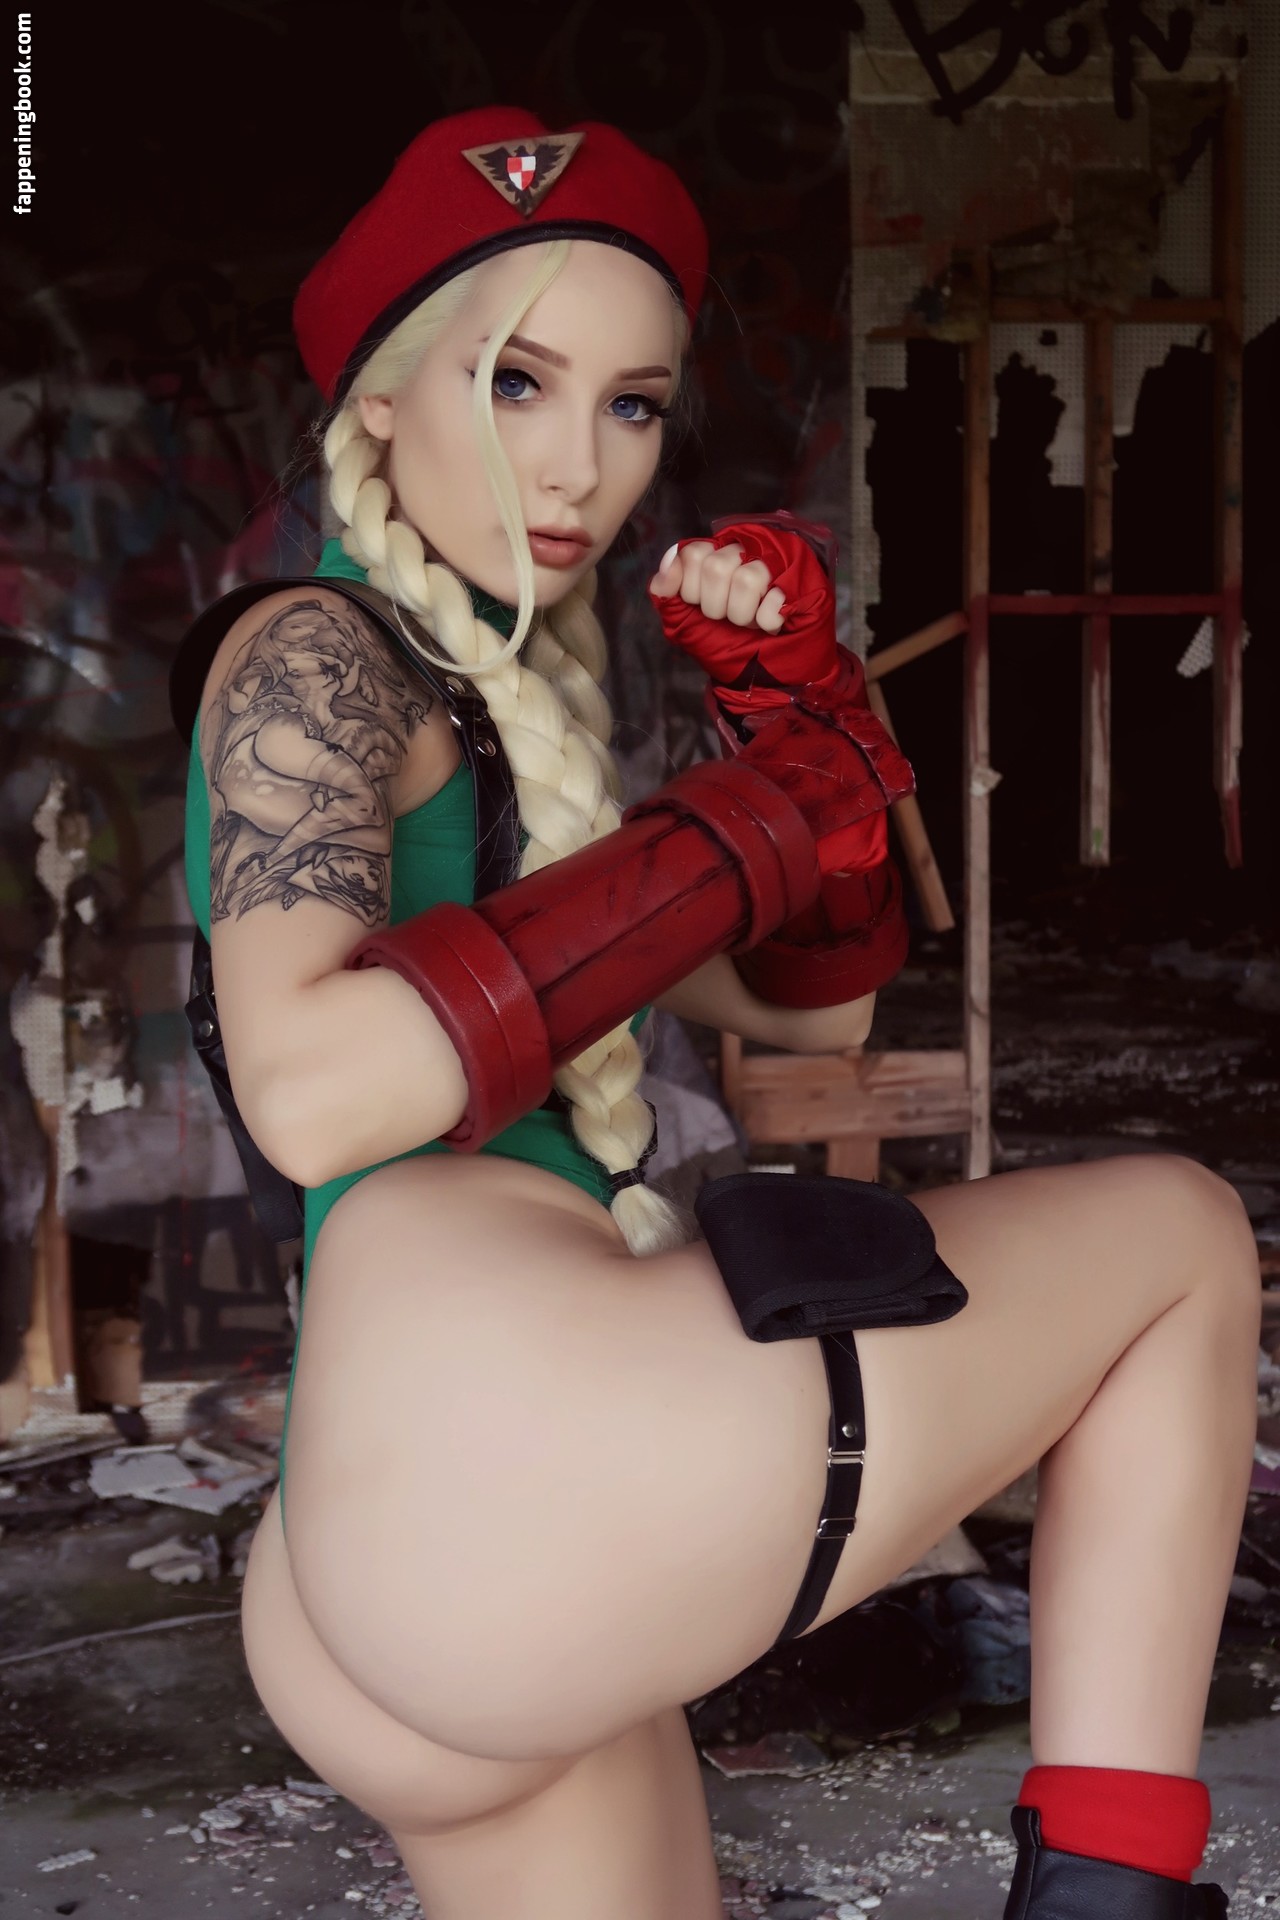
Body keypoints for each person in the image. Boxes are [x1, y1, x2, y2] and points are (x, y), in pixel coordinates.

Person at [173, 107, 1258, 1919]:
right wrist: (743, 825)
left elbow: (808, 1019)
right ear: (379, 395)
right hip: (515, 1489)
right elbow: (308, 1088)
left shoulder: (511, 704)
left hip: (401, 1562)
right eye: (516, 383)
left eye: (631, 404)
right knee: (1182, 1241)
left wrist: (802, 734)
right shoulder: (312, 655)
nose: (576, 463)